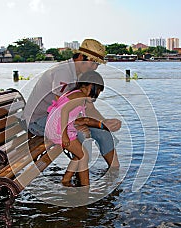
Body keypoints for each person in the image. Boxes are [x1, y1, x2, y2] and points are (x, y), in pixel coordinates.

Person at [22, 38, 121, 168]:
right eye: (92, 62)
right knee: (82, 133)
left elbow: (89, 108)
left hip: (57, 117)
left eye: (97, 64)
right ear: (80, 57)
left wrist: (104, 123)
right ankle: (82, 179)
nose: (95, 68)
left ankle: (115, 173)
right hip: (38, 121)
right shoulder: (63, 72)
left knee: (103, 132)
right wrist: (88, 123)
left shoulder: (82, 75)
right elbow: (61, 109)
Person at [45, 71, 107, 186]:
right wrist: (64, 135)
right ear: (86, 85)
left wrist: (79, 125)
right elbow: (64, 111)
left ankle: (66, 179)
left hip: (54, 128)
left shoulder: (76, 93)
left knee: (78, 154)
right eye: (96, 89)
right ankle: (85, 187)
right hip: (59, 130)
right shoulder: (80, 97)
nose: (97, 93)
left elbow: (71, 115)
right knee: (84, 156)